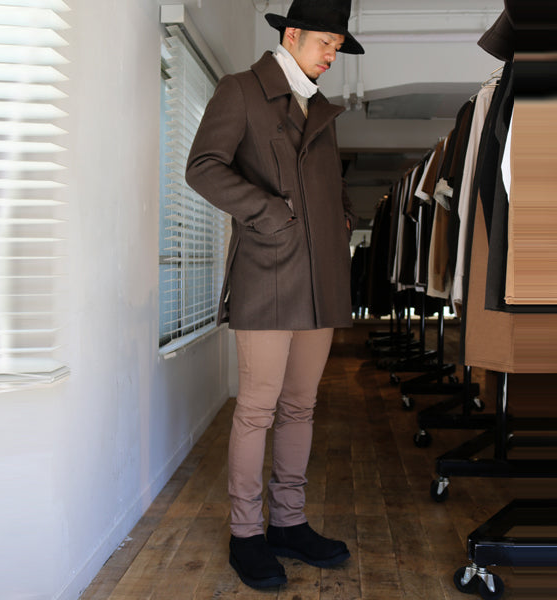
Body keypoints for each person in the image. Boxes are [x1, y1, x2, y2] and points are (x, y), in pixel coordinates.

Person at [186, 0, 364, 590]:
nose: (333, 54)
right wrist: (269, 213)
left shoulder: (319, 107)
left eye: (338, 46)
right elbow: (203, 167)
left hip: (320, 282)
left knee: (300, 406)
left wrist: (341, 219)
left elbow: (329, 186)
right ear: (292, 35)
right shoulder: (240, 90)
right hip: (266, 273)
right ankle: (246, 534)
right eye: (326, 42)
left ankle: (288, 522)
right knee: (258, 408)